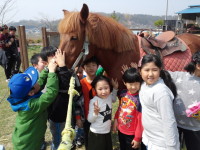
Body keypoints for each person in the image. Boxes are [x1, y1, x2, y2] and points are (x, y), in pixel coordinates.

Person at [7, 55, 59, 149]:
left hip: (25, 139)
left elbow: (38, 84)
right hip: (28, 146)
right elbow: (51, 93)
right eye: (34, 81)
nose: (37, 81)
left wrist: (47, 69)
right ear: (31, 92)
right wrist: (51, 72)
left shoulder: (22, 97)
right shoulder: (32, 105)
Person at [139, 54, 180, 150]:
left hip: (162, 144)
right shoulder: (144, 85)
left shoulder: (161, 92)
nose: (150, 74)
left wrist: (171, 146)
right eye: (146, 70)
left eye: (154, 70)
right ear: (140, 71)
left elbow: (169, 121)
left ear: (160, 70)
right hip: (149, 138)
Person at [40, 46, 73, 150]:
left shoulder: (62, 70)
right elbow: (64, 86)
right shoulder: (51, 74)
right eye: (54, 56)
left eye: (58, 54)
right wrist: (62, 65)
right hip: (56, 116)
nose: (58, 58)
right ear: (46, 63)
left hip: (65, 114)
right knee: (58, 140)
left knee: (65, 137)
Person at [168, 51, 200, 150]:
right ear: (198, 65)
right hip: (176, 124)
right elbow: (159, 73)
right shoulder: (178, 76)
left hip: (195, 127)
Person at [113, 67, 143, 150]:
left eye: (136, 83)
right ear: (124, 83)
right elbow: (120, 108)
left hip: (132, 134)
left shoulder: (139, 99)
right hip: (121, 130)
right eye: (130, 84)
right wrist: (116, 119)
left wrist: (137, 138)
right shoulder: (123, 94)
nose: (133, 87)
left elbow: (141, 120)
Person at [87, 75, 118, 150]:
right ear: (95, 90)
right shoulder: (94, 101)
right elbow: (90, 120)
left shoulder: (109, 97)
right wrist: (95, 113)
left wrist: (115, 88)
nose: (104, 91)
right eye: (100, 89)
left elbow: (114, 99)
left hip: (107, 131)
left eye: (106, 88)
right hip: (96, 133)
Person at [78, 56, 99, 149]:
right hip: (86, 117)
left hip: (100, 117)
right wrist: (78, 118)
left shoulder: (101, 81)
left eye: (94, 65)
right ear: (83, 68)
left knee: (100, 139)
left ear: (97, 67)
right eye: (88, 66)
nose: (91, 68)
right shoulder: (81, 83)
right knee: (88, 139)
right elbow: (77, 102)